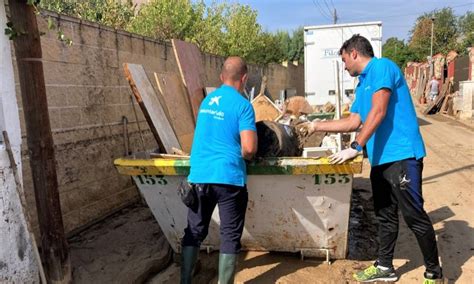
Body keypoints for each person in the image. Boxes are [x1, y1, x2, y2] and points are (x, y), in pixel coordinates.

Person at [299, 34, 443, 283]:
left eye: (344, 60)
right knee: (385, 215)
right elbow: (354, 120)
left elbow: (379, 110)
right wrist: (316, 126)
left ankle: (433, 272)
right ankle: (385, 267)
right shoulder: (362, 83)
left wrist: (356, 146)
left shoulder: (382, 67)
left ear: (354, 53)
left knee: (413, 215)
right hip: (380, 160)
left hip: (402, 156)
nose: (344, 66)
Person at [180, 56, 257, 284]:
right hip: (228, 179)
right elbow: (249, 148)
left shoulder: (207, 102)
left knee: (194, 231)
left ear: (221, 77)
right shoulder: (243, 105)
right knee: (229, 237)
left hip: (199, 178)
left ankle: (185, 281)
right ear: (244, 79)